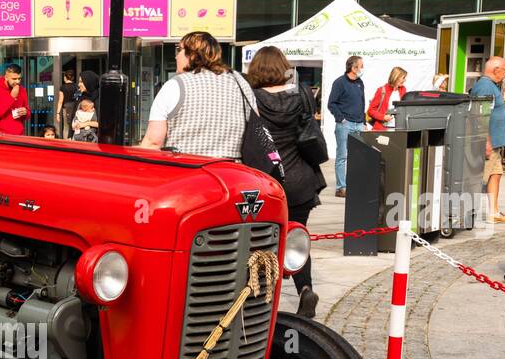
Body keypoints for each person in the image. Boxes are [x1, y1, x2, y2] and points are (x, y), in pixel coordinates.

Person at [248, 45, 325, 318]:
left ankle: (261, 303)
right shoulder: (302, 95)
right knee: (296, 238)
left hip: (267, 182)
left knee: (261, 244)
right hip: (301, 180)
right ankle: (305, 289)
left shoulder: (252, 99)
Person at [139, 31, 257, 157]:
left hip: (186, 170)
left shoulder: (174, 86)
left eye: (179, 50)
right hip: (230, 171)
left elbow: (153, 142)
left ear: (192, 54)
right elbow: (255, 129)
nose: (176, 56)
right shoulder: (241, 83)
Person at [470, 56, 505, 223]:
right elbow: (480, 116)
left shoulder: (490, 86)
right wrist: (486, 142)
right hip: (488, 142)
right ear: (496, 70)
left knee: (495, 174)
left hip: (495, 143)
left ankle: (493, 212)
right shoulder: (485, 87)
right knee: (481, 178)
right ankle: (462, 211)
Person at [326, 54, 365, 198]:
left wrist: (364, 121)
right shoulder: (340, 83)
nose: (362, 68)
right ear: (353, 67)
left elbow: (362, 103)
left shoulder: (360, 82)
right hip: (345, 124)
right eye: (361, 66)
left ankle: (355, 185)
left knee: (359, 157)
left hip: (359, 124)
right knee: (342, 156)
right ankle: (341, 188)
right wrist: (341, 119)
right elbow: (331, 103)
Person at [0, 63, 30, 135]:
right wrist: (11, 97)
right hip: (0, 134)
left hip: (18, 134)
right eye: (14, 79)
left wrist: (26, 112)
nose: (17, 82)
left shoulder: (22, 90)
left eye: (19, 78)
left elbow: (28, 112)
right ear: (6, 77)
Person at [366, 66, 407, 132]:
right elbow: (370, 110)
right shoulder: (382, 90)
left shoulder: (403, 90)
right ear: (396, 77)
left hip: (399, 129)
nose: (405, 80)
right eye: (403, 78)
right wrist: (383, 117)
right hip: (383, 129)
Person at [56, 68, 77, 139]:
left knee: (66, 127)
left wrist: (58, 113)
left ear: (65, 77)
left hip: (66, 108)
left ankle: (67, 142)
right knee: (75, 125)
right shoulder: (77, 86)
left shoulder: (63, 87)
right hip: (75, 108)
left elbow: (60, 101)